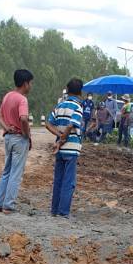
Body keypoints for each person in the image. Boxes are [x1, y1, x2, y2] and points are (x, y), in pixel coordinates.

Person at [0, 67, 34, 213]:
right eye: (30, 83)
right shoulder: (22, 99)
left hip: (8, 137)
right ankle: (8, 205)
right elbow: (23, 118)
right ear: (25, 83)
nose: (31, 86)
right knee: (16, 173)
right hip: (18, 138)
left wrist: (6, 128)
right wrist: (25, 134)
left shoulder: (7, 96)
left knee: (7, 171)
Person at [45, 77, 85, 217]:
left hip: (59, 149)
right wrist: (63, 137)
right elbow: (71, 125)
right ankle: (63, 212)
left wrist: (58, 135)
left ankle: (54, 210)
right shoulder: (78, 107)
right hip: (71, 148)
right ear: (80, 92)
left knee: (58, 180)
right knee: (68, 181)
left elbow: (48, 124)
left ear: (67, 90)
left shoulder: (59, 106)